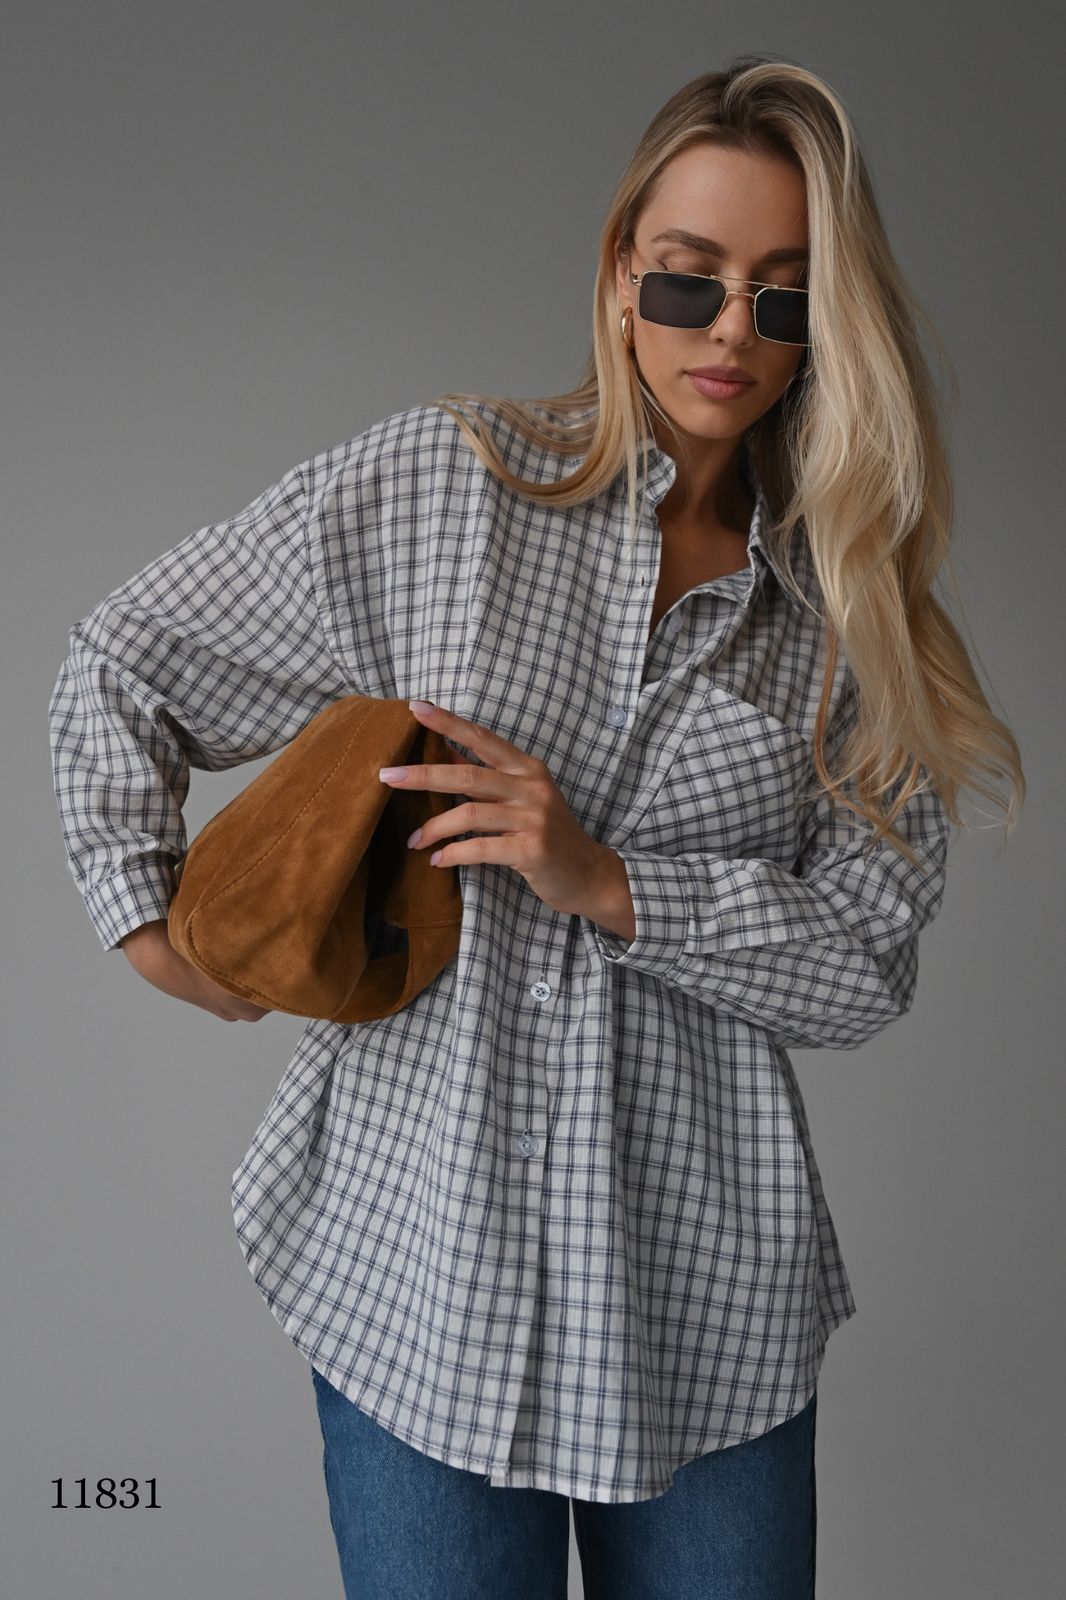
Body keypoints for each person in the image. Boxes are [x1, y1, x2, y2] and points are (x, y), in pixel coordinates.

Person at [48, 54, 1023, 1600]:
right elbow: (124, 660)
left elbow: (860, 968)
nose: (727, 332)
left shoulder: (853, 625)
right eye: (689, 278)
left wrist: (609, 881)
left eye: (781, 295)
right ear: (622, 274)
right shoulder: (446, 487)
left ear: (823, 323)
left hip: (702, 1302)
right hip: (419, 1267)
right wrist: (145, 920)